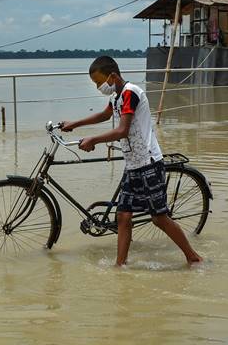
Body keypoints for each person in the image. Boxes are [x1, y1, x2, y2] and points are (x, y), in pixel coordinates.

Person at [61, 56, 203, 267]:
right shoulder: (117, 96)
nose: (99, 87)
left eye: (100, 82)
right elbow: (104, 115)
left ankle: (194, 258)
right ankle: (121, 266)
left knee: (159, 218)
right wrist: (75, 123)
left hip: (148, 163)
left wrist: (94, 140)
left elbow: (122, 130)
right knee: (123, 217)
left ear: (113, 76)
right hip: (133, 165)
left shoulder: (131, 93)